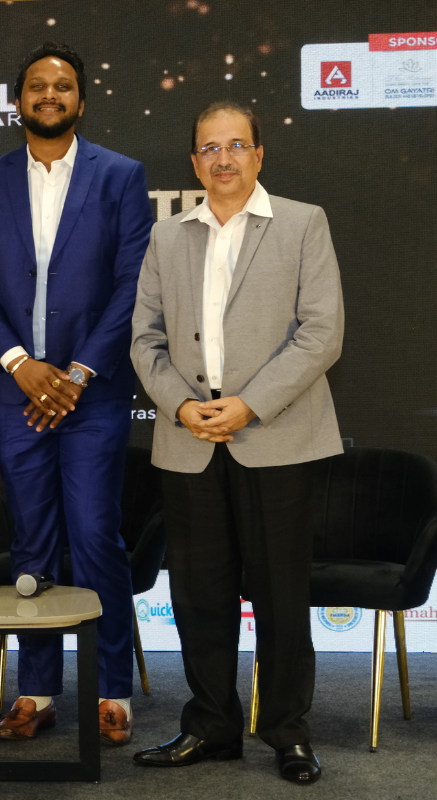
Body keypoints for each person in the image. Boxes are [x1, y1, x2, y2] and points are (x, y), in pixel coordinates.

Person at [130, 101, 342, 783]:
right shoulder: (167, 237)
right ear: (195, 162)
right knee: (199, 597)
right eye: (210, 148)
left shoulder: (303, 223)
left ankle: (287, 732)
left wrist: (248, 405)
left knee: (281, 595)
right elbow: (144, 339)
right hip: (189, 438)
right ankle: (211, 726)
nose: (223, 159)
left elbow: (322, 333)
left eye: (236, 145)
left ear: (259, 154)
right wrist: (181, 405)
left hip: (276, 435)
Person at [0, 42, 153, 745]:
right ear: (18, 101)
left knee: (97, 536)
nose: (49, 95)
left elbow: (132, 284)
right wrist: (19, 364)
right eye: (37, 85)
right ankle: (37, 690)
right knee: (32, 542)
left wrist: (77, 373)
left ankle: (112, 689)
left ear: (81, 100)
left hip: (90, 395)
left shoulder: (120, 175)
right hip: (19, 394)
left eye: (62, 85)